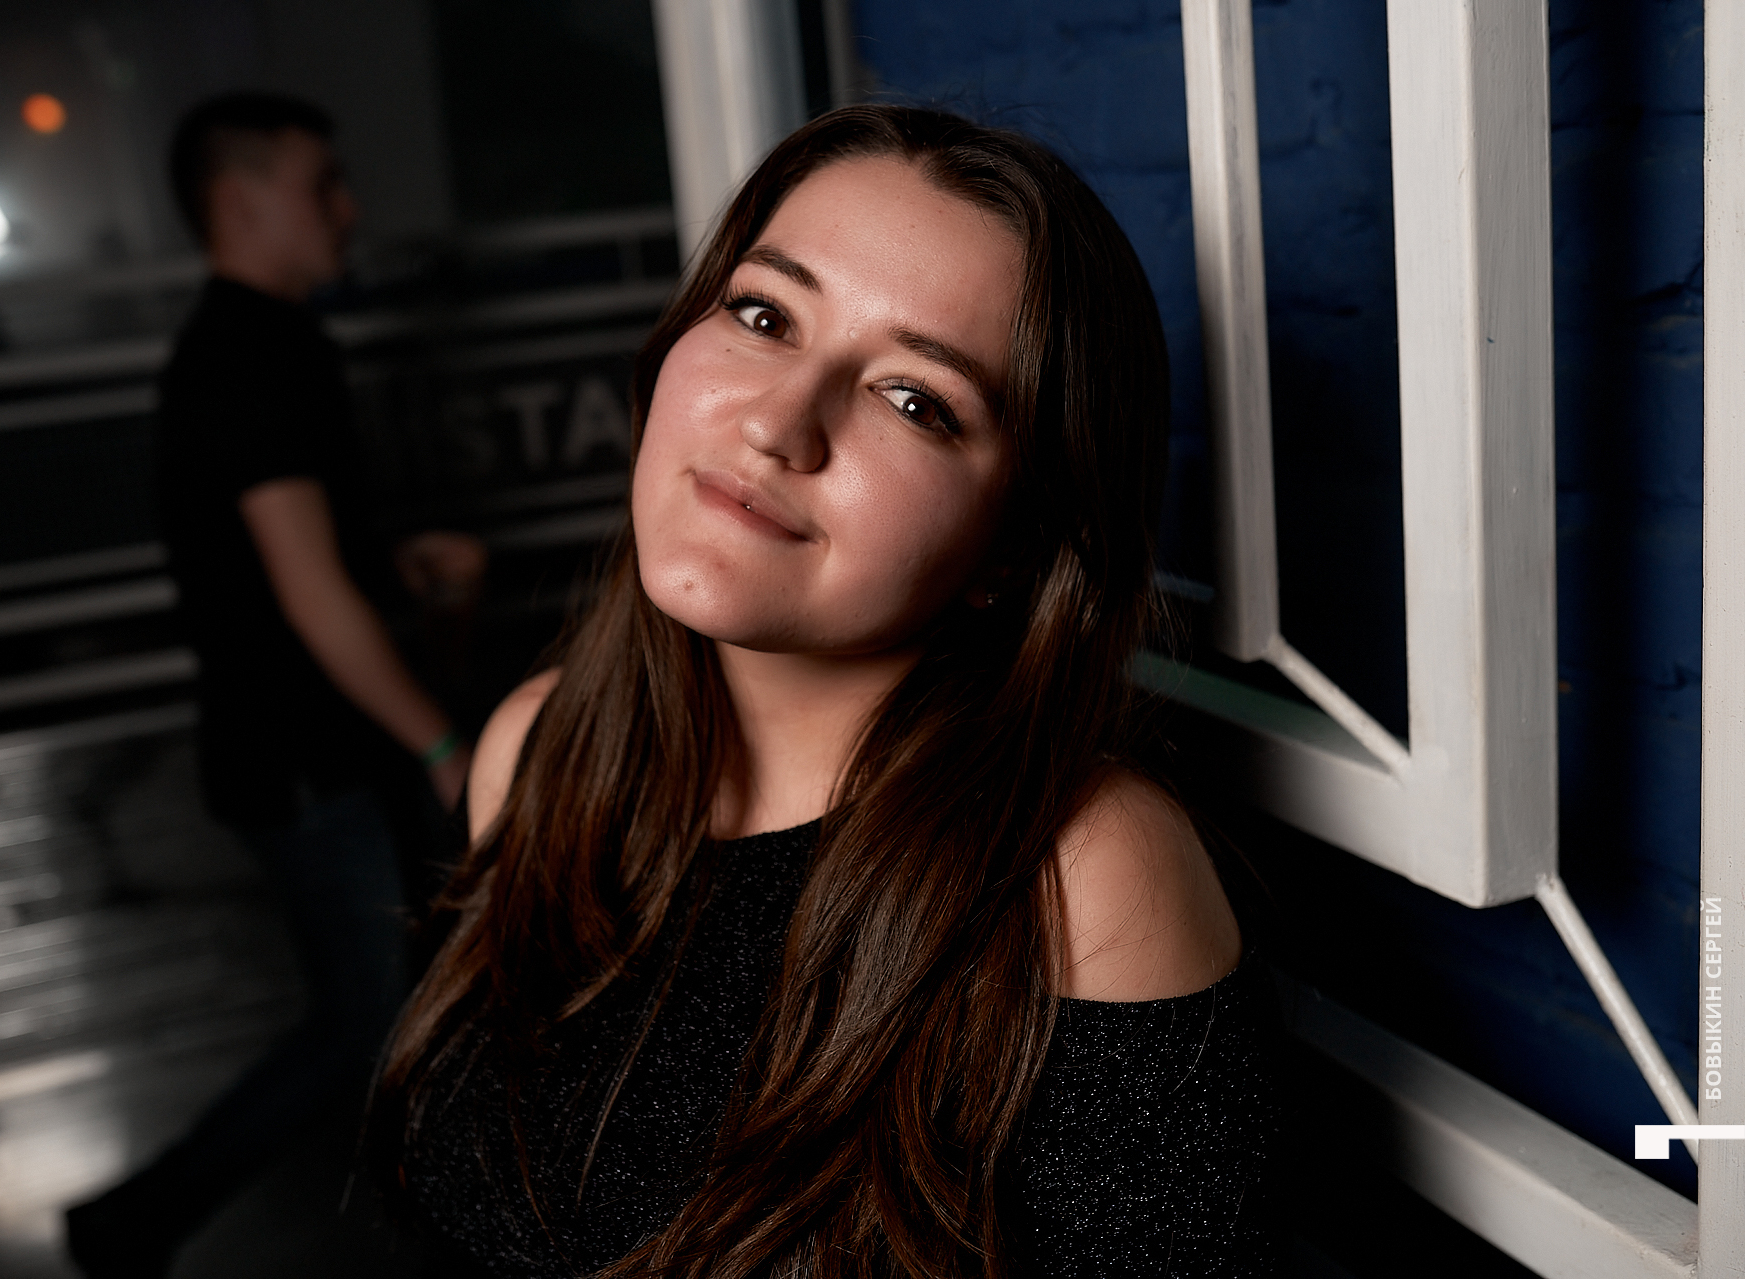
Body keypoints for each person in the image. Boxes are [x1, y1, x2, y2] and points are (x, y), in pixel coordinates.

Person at [375, 105, 1279, 1277]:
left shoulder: (1082, 873)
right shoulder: (538, 747)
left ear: (1015, 547)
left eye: (915, 399)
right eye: (763, 315)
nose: (777, 424)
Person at [65, 92, 484, 1278]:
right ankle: (135, 1221)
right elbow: (307, 595)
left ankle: (140, 1223)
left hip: (299, 749)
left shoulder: (253, 344)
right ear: (239, 200)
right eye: (321, 184)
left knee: (393, 1011)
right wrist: (443, 744)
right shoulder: (252, 356)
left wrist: (392, 564)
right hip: (305, 759)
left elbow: (292, 565)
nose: (347, 208)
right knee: (371, 1022)